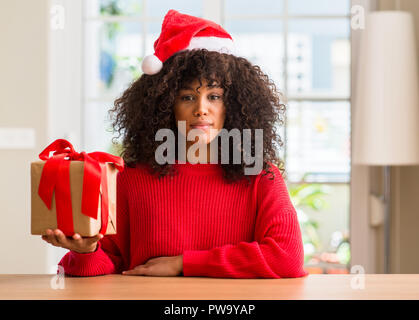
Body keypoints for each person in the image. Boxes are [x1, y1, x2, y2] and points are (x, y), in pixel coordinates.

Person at [41, 10, 308, 279]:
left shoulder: (260, 176)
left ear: (234, 105)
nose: (201, 109)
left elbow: (286, 258)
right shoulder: (130, 179)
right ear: (165, 105)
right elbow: (106, 264)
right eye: (187, 97)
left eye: (214, 96)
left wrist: (183, 263)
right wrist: (86, 251)